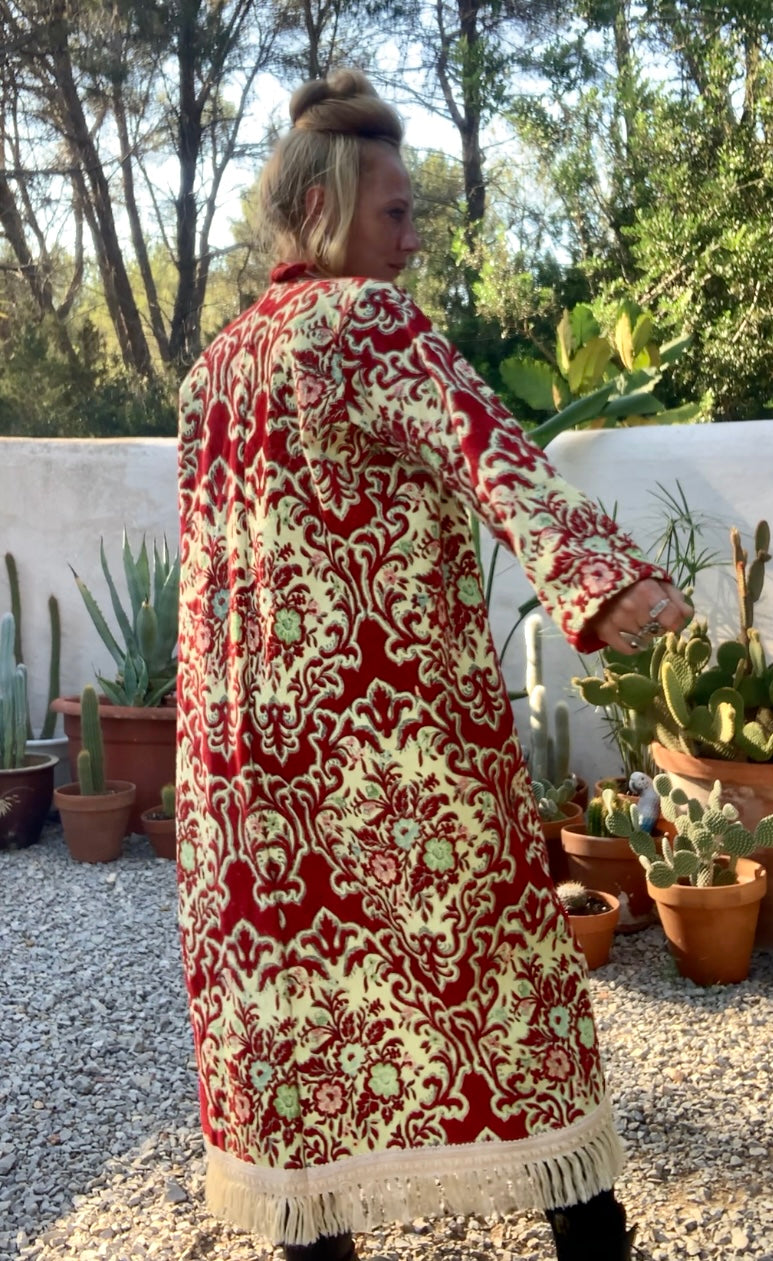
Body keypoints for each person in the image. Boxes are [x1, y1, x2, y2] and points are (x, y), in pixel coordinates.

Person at [176, 69, 691, 1261]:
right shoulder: (365, 323)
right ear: (317, 207)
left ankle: (322, 1235)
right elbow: (489, 449)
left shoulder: (210, 372)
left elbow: (206, 581)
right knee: (501, 981)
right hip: (397, 752)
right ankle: (587, 1230)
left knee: (297, 1024)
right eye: (393, 214)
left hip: (250, 780)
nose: (410, 241)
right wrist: (601, 585)